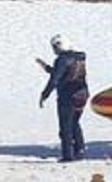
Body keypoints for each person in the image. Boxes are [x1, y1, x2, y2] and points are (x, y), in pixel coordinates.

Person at [37, 34, 88, 162]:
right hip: (82, 94)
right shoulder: (79, 57)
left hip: (68, 95)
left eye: (55, 46)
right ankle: (80, 150)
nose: (54, 49)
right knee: (74, 122)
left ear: (60, 46)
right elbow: (65, 72)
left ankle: (67, 156)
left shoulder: (61, 59)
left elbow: (55, 79)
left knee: (65, 125)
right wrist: (47, 68)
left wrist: (45, 94)